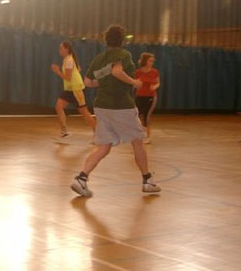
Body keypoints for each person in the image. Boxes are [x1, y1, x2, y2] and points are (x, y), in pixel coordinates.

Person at [71, 25, 161, 196]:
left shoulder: (99, 58)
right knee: (137, 141)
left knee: (104, 146)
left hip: (102, 106)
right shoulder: (123, 54)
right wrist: (134, 82)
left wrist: (105, 77)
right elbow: (117, 71)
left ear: (106, 40)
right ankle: (147, 180)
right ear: (122, 40)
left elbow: (88, 82)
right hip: (121, 106)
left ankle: (81, 179)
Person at [51, 41, 96, 140]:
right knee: (59, 107)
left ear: (66, 49)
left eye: (61, 48)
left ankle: (98, 133)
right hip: (69, 89)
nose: (60, 50)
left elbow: (68, 77)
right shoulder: (68, 59)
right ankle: (64, 131)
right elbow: (76, 70)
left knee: (84, 112)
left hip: (76, 89)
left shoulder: (69, 60)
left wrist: (57, 71)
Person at [135, 53, 160, 144]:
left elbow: (158, 83)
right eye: (150, 61)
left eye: (153, 61)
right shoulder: (138, 72)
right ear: (145, 61)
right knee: (137, 115)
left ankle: (148, 136)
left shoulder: (155, 71)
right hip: (140, 96)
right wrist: (136, 85)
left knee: (146, 116)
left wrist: (155, 87)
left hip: (151, 96)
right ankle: (140, 133)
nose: (152, 62)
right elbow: (135, 83)